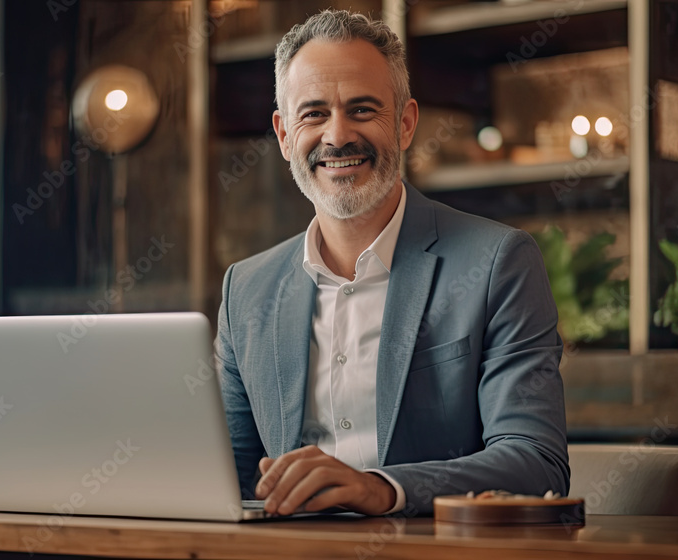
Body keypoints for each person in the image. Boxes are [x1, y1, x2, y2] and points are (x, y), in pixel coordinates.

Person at [214, 9, 569, 517]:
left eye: (361, 110)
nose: (337, 136)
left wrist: (378, 488)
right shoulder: (244, 288)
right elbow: (225, 475)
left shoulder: (498, 262)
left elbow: (536, 463)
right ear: (285, 134)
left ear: (404, 124)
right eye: (313, 113)